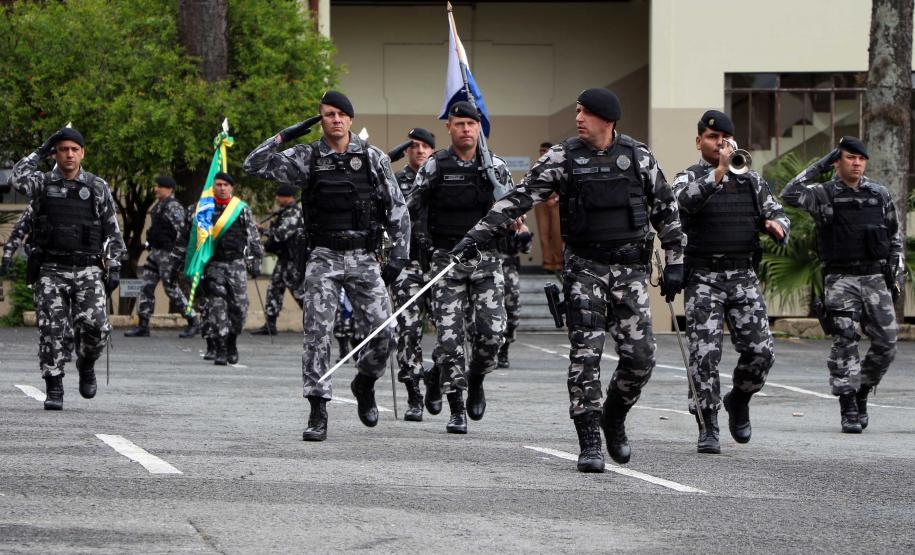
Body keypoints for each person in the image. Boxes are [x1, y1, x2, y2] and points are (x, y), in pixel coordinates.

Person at [451, 88, 685, 472]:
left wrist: (676, 263)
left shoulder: (637, 156)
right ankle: (589, 438)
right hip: (585, 270)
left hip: (630, 272)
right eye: (576, 111)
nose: (578, 118)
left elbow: (667, 210)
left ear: (607, 119)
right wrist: (476, 235)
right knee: (585, 356)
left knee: (641, 359)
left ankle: (614, 414)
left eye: (586, 113)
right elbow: (520, 197)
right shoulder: (563, 157)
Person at [243, 90, 410, 441]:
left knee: (386, 333)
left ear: (350, 119)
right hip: (323, 257)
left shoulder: (371, 158)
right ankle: (318, 410)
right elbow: (252, 164)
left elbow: (397, 210)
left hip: (364, 258)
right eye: (328, 114)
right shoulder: (308, 157)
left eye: (340, 114)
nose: (335, 120)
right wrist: (287, 134)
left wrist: (398, 255)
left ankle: (364, 381)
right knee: (318, 335)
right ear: (320, 118)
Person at [672, 110, 789, 454]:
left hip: (742, 276)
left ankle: (739, 398)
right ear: (699, 141)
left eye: (724, 138)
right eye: (712, 138)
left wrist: (777, 227)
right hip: (704, 277)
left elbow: (777, 212)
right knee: (704, 355)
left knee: (761, 352)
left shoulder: (751, 180)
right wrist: (718, 173)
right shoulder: (688, 177)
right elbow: (679, 206)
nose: (719, 144)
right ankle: (708, 424)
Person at [406, 101, 513, 435]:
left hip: (486, 259)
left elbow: (513, 209)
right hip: (446, 261)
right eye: (459, 123)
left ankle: (476, 377)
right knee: (450, 338)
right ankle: (457, 407)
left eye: (471, 123)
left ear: (479, 127)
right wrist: (408, 246)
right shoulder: (436, 166)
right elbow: (411, 207)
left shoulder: (495, 166)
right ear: (449, 128)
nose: (466, 129)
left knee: (492, 334)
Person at [781, 136, 901, 433]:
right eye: (850, 157)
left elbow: (895, 238)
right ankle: (848, 405)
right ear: (838, 161)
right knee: (845, 341)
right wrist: (818, 167)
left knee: (887, 343)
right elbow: (789, 194)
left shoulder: (878, 194)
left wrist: (895, 278)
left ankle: (862, 390)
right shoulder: (823, 193)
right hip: (840, 279)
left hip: (875, 278)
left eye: (861, 158)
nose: (857, 163)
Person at [10, 127, 125, 410]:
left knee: (97, 328)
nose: (69, 154)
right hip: (51, 268)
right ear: (56, 153)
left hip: (88, 271)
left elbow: (113, 231)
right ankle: (55, 385)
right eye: (63, 149)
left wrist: (114, 264)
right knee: (52, 331)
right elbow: (16, 178)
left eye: (74, 149)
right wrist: (40, 149)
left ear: (82, 153)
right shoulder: (42, 182)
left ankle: (86, 364)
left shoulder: (96, 187)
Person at [390, 127, 435, 421]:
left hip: (440, 263)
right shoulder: (395, 182)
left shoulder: (442, 177)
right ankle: (414, 394)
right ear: (406, 151)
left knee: (450, 332)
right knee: (408, 331)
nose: (419, 151)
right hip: (407, 265)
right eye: (414, 147)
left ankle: (439, 379)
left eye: (425, 147)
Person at [199, 172, 263, 366]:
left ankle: (232, 341)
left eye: (226, 185)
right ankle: (220, 347)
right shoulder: (206, 209)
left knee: (239, 308)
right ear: (214, 187)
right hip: (214, 265)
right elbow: (196, 236)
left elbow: (253, 236)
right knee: (218, 307)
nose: (222, 188)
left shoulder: (240, 209)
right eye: (218, 184)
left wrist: (255, 261)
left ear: (231, 188)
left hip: (236, 265)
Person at [124, 176, 198, 338]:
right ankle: (143, 324)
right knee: (145, 286)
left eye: (160, 186)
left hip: (168, 254)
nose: (156, 189)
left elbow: (182, 231)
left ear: (169, 189)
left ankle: (193, 320)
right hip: (156, 253)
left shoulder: (174, 207)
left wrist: (179, 254)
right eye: (156, 186)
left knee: (171, 289)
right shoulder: (160, 206)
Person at [251, 183, 305, 336]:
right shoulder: (285, 212)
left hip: (294, 262)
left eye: (279, 195)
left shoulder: (294, 213)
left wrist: (262, 230)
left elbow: (281, 234)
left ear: (287, 197)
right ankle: (270, 324)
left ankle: (316, 323)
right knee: (274, 289)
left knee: (300, 293)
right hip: (284, 260)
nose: (276, 198)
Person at [497, 215, 533, 368]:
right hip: (488, 268)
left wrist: (523, 237)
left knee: (513, 314)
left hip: (509, 271)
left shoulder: (517, 222)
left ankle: (504, 348)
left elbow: (526, 249)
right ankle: (484, 352)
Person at [533, 142, 562, 273]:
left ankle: (559, 263)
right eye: (540, 151)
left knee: (557, 234)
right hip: (541, 203)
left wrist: (556, 199)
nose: (542, 153)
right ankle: (548, 264)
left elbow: (566, 186)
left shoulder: (560, 165)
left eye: (544, 151)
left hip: (556, 204)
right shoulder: (536, 167)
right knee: (544, 234)